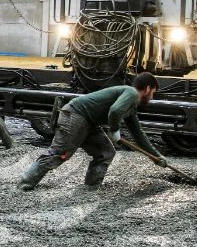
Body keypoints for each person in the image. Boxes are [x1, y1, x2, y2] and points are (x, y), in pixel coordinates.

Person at [18, 72, 168, 191]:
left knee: (105, 152)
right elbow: (115, 111)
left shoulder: (131, 106)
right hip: (75, 115)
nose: (151, 97)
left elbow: (139, 136)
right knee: (59, 154)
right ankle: (24, 184)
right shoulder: (132, 93)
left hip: (89, 122)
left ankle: (91, 187)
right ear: (147, 88)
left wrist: (156, 156)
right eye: (153, 93)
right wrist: (114, 130)